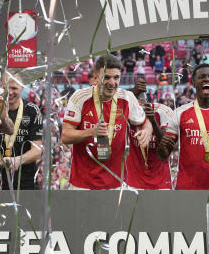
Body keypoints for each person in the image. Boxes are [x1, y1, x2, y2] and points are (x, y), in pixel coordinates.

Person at [61, 54, 152, 189]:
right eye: (107, 77)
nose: (112, 82)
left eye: (116, 78)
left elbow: (145, 122)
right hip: (83, 185)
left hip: (115, 185)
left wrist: (148, 131)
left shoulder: (127, 98)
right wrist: (91, 132)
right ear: (96, 78)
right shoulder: (80, 97)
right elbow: (65, 136)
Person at [0, 71, 44, 190]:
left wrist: (17, 160)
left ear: (22, 88)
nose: (10, 92)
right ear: (1, 87)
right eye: (6, 88)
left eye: (14, 88)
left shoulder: (32, 111)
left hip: (24, 179)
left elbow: (37, 150)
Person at [127, 75, 172, 189]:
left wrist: (153, 122)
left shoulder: (163, 111)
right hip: (134, 182)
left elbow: (165, 146)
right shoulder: (129, 111)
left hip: (161, 182)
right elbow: (116, 100)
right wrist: (133, 92)